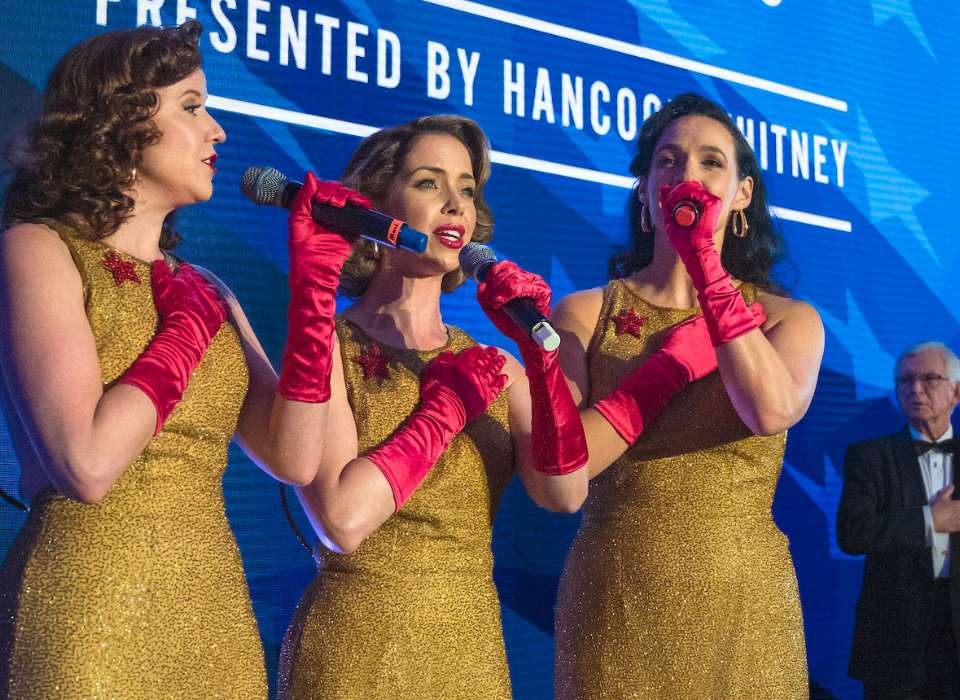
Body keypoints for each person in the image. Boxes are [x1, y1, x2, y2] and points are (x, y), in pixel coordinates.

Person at [0, 22, 327, 697]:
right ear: (120, 119)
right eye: (192, 106)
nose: (218, 132)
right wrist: (182, 333)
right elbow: (87, 466)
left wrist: (314, 299)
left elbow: (294, 459)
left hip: (214, 621)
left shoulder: (209, 290)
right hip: (89, 610)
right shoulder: (38, 248)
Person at [275, 114, 589, 698]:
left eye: (466, 190)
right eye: (428, 183)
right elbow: (341, 519)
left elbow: (565, 493)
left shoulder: (495, 365)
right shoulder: (327, 346)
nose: (455, 205)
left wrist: (539, 357)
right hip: (356, 651)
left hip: (469, 654)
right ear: (375, 206)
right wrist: (444, 411)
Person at [550, 92, 824, 698]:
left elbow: (771, 409)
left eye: (710, 163)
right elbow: (563, 475)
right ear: (645, 191)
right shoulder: (585, 312)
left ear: (742, 194)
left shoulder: (786, 319)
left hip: (744, 608)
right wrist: (664, 370)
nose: (687, 177)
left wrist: (706, 266)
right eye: (668, 162)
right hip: (617, 599)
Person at [838, 341, 960, 699]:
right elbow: (852, 534)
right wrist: (928, 520)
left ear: (956, 391)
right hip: (894, 636)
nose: (915, 389)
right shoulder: (869, 457)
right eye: (904, 380)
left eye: (929, 379)